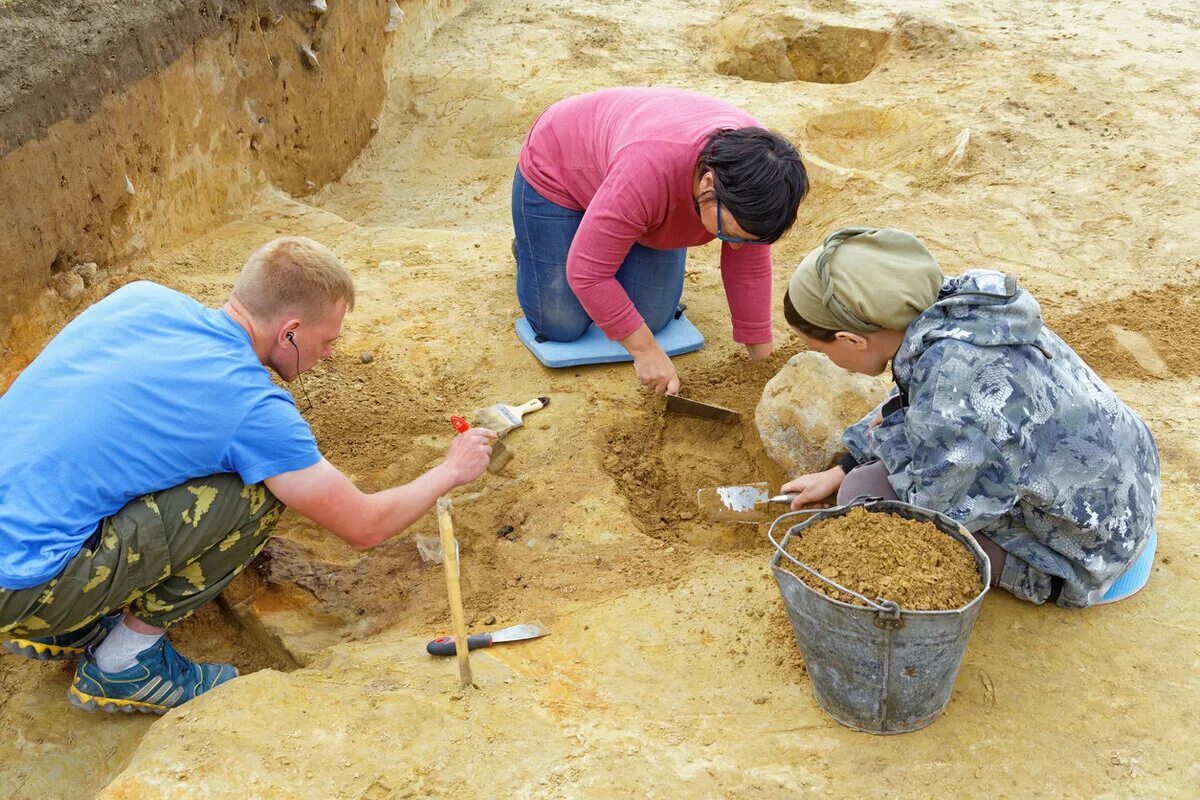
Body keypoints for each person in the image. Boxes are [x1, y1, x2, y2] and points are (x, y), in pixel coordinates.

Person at [0, 237, 495, 713]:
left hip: (18, 532)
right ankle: (123, 661)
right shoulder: (253, 409)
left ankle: (69, 621)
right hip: (20, 585)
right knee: (254, 492)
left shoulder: (142, 299)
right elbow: (364, 526)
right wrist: (451, 470)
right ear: (290, 332)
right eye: (327, 341)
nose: (329, 354)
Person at [779, 227, 1160, 608]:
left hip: (1091, 554)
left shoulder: (952, 390)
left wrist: (888, 440)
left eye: (821, 350)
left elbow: (934, 505)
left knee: (865, 495)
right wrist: (845, 464)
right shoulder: (957, 311)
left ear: (851, 340)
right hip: (1132, 484)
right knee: (866, 472)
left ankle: (1040, 579)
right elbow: (913, 397)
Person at [514, 87, 809, 395]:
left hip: (636, 195)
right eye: (728, 233)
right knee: (561, 324)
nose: (735, 246)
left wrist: (763, 365)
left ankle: (606, 234)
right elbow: (587, 273)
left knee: (651, 318)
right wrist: (645, 351)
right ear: (708, 183)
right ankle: (535, 246)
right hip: (562, 168)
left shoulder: (765, 182)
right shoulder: (648, 170)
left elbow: (749, 270)